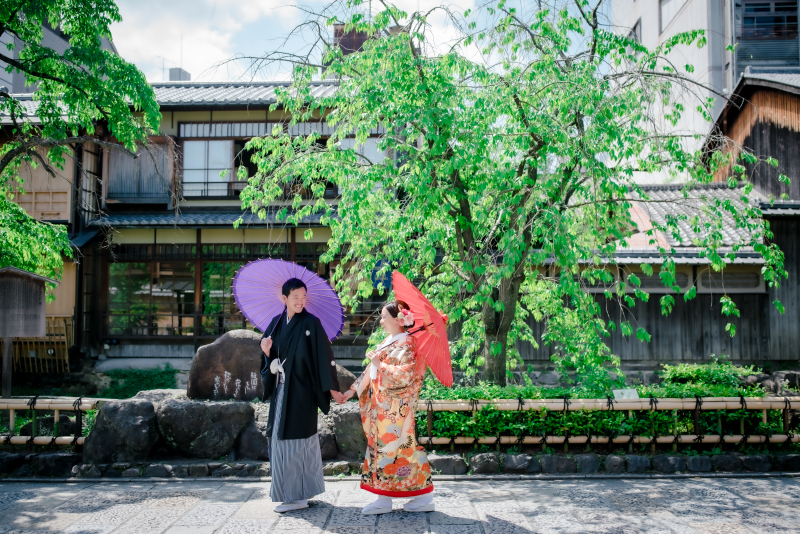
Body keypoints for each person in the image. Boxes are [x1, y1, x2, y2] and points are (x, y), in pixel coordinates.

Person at [339, 300, 434, 515]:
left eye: (383, 317)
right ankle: (422, 496)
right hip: (383, 408)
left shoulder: (408, 344)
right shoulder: (391, 340)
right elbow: (370, 372)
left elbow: (406, 375)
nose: (380, 321)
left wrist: (380, 364)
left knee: (391, 449)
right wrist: (352, 391)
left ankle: (385, 499)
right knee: (397, 451)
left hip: (395, 411)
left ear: (398, 320)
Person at [260, 277, 344, 512]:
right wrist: (267, 354)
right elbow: (270, 356)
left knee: (297, 441)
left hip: (302, 392)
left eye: (303, 297)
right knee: (278, 438)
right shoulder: (276, 323)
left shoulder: (311, 323)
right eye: (295, 297)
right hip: (281, 391)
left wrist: (333, 389)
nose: (300, 301)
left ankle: (297, 497)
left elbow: (323, 358)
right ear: (284, 298)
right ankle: (295, 493)